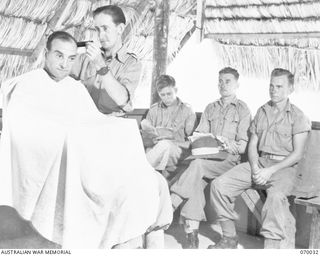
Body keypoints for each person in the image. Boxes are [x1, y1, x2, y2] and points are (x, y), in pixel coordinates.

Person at [0, 31, 172, 249]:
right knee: (130, 188)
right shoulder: (26, 85)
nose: (64, 64)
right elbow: (27, 133)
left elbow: (93, 120)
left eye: (71, 58)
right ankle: (130, 240)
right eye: (59, 56)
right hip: (60, 162)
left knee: (148, 180)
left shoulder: (75, 87)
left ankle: (142, 237)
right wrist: (70, 135)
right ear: (46, 53)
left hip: (88, 157)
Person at [208, 68, 311, 249]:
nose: (274, 90)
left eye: (279, 86)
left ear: (291, 89)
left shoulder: (298, 116)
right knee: (219, 185)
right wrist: (255, 166)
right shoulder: (262, 111)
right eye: (271, 86)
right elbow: (253, 145)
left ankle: (271, 248)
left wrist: (269, 170)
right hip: (259, 162)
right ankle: (229, 237)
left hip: (284, 168)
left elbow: (297, 154)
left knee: (276, 197)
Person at [170, 67, 251, 248]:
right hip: (208, 158)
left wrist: (228, 144)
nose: (223, 85)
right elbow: (199, 135)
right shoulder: (210, 108)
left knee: (197, 166)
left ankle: (172, 203)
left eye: (228, 81)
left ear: (237, 84)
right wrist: (201, 138)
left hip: (228, 161)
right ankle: (192, 236)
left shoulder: (243, 110)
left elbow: (243, 146)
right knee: (196, 180)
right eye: (220, 81)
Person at [70, 5, 142, 115]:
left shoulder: (132, 64)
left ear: (120, 29)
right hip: (85, 121)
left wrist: (100, 65)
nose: (100, 35)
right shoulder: (87, 57)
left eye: (105, 28)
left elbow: (122, 100)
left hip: (113, 126)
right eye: (97, 30)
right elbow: (59, 73)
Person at [141, 74, 197, 177]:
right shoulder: (154, 110)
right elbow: (145, 138)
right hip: (158, 149)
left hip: (179, 152)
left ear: (176, 90)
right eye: (162, 95)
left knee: (164, 145)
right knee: (150, 149)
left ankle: (138, 171)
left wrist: (172, 140)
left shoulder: (187, 110)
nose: (166, 98)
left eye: (169, 94)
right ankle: (147, 177)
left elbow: (193, 142)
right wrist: (152, 139)